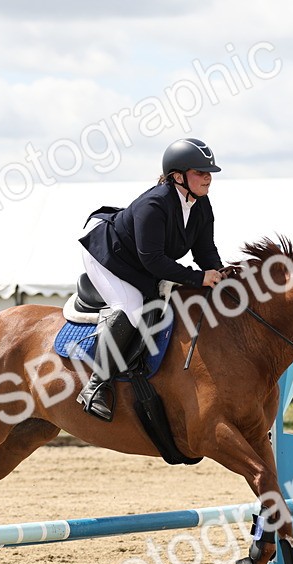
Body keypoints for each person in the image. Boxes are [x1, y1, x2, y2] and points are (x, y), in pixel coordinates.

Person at [76, 137, 227, 421]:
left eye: (209, 172)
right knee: (134, 308)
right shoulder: (154, 204)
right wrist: (198, 278)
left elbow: (205, 251)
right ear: (177, 176)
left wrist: (219, 274)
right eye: (200, 172)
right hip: (109, 255)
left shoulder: (201, 205)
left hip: (140, 261)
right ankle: (95, 384)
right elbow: (153, 261)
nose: (208, 178)